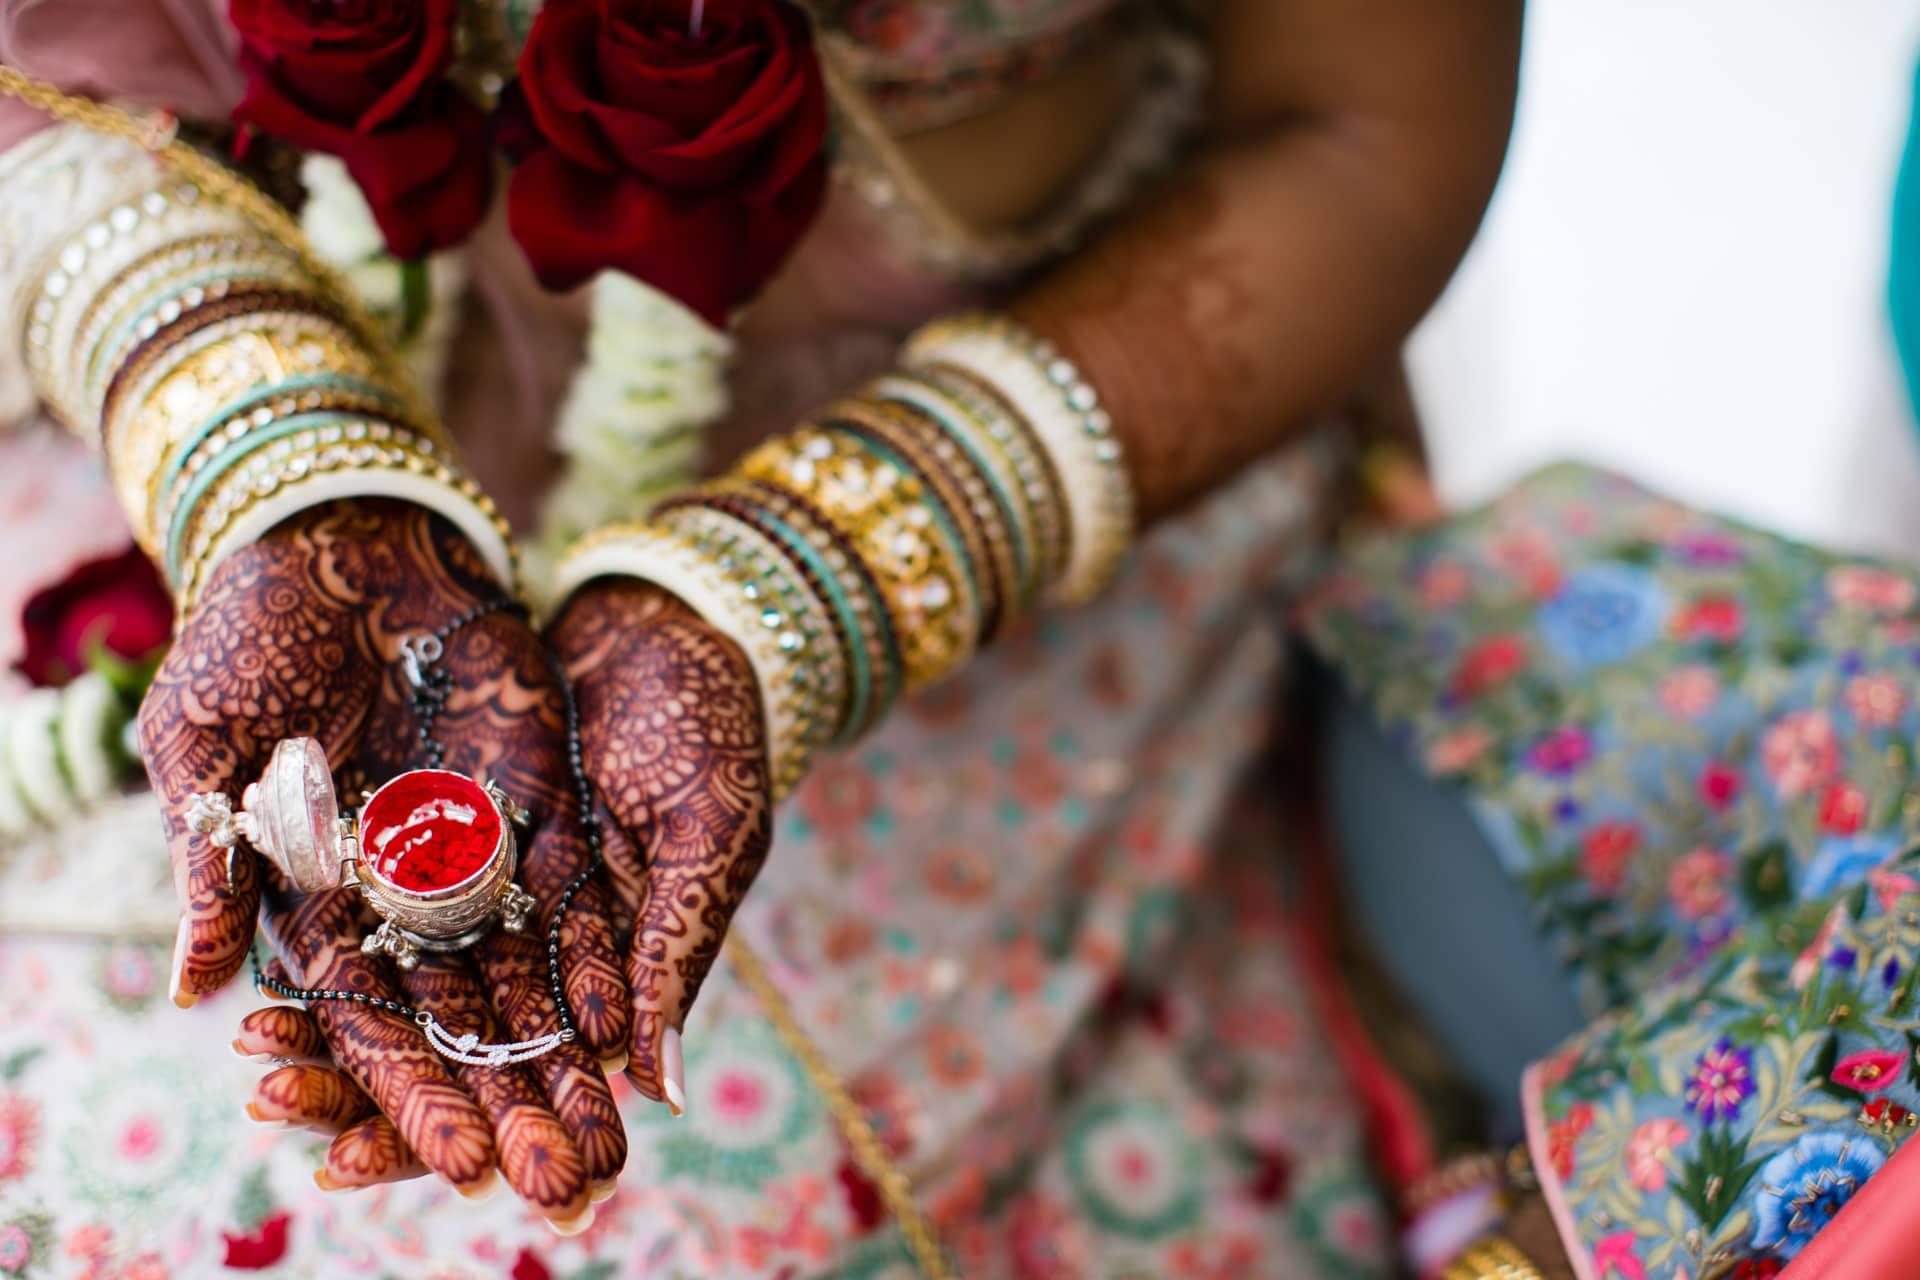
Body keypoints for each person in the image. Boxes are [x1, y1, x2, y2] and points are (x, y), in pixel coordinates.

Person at [0, 2, 1596, 1278]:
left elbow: (1363, 129)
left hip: (1020, 459)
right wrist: (270, 461)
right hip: (185, 340)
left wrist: (797, 595)